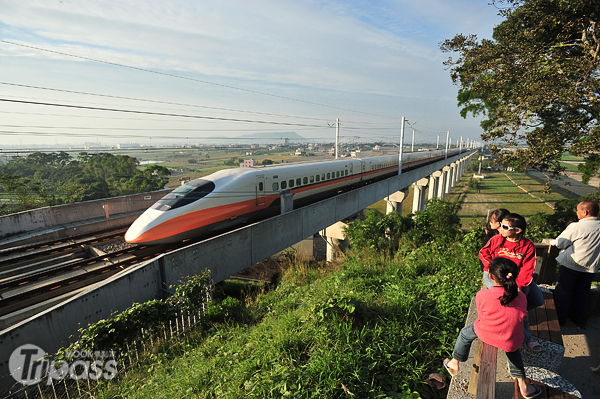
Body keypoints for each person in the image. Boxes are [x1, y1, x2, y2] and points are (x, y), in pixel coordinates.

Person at [443, 257, 542, 399]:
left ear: (490, 276)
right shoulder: (520, 296)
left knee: (465, 334)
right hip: (512, 340)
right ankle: (524, 386)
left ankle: (455, 362)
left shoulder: (482, 294)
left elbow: (481, 316)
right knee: (514, 353)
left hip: (486, 333)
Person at [479, 213, 545, 351]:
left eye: (504, 226)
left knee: (538, 300)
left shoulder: (527, 245)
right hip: (497, 277)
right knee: (518, 304)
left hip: (516, 279)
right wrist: (492, 267)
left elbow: (527, 268)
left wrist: (519, 286)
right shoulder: (496, 239)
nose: (500, 228)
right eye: (500, 224)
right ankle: (526, 336)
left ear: (518, 230)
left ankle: (514, 317)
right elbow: (483, 254)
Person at [550, 201, 600, 329]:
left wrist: (554, 242)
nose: (576, 213)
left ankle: (560, 319)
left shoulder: (577, 227)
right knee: (583, 293)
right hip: (591, 266)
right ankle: (579, 320)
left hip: (572, 264)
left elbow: (561, 243)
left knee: (563, 291)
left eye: (577, 210)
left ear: (585, 212)